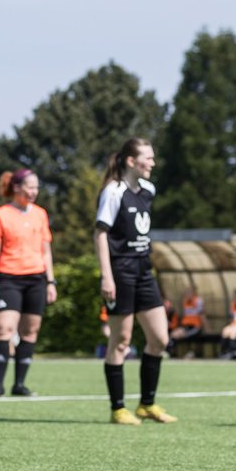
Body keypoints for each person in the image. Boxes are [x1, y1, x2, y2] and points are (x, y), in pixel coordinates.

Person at [94, 137, 177, 425]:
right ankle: (118, 408)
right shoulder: (113, 192)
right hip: (120, 272)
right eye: (148, 158)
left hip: (144, 270)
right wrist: (107, 275)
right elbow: (101, 233)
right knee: (121, 341)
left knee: (159, 339)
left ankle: (146, 404)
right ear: (131, 161)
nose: (153, 163)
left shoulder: (149, 191)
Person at [0, 169, 55, 398]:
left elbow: (46, 251)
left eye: (36, 188)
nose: (34, 192)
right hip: (9, 277)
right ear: (16, 188)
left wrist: (51, 281)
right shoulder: (2, 214)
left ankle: (19, 384)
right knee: (3, 328)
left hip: (36, 278)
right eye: (29, 187)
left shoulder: (40, 214)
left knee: (30, 331)